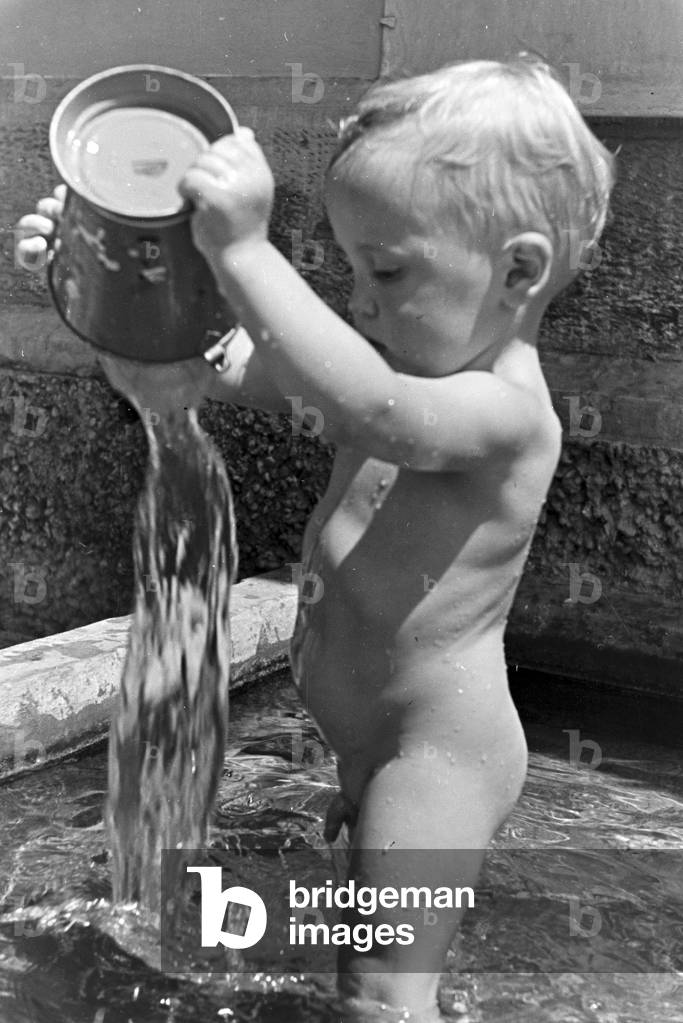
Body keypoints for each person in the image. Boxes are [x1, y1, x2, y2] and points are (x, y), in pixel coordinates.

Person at [16, 56, 615, 1022]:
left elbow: (373, 411)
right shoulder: (388, 364)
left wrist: (247, 253)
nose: (361, 300)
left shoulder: (503, 414)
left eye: (386, 269)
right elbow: (217, 364)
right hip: (366, 742)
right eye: (347, 269)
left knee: (381, 990)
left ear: (517, 270)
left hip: (437, 757)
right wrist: (90, 282)